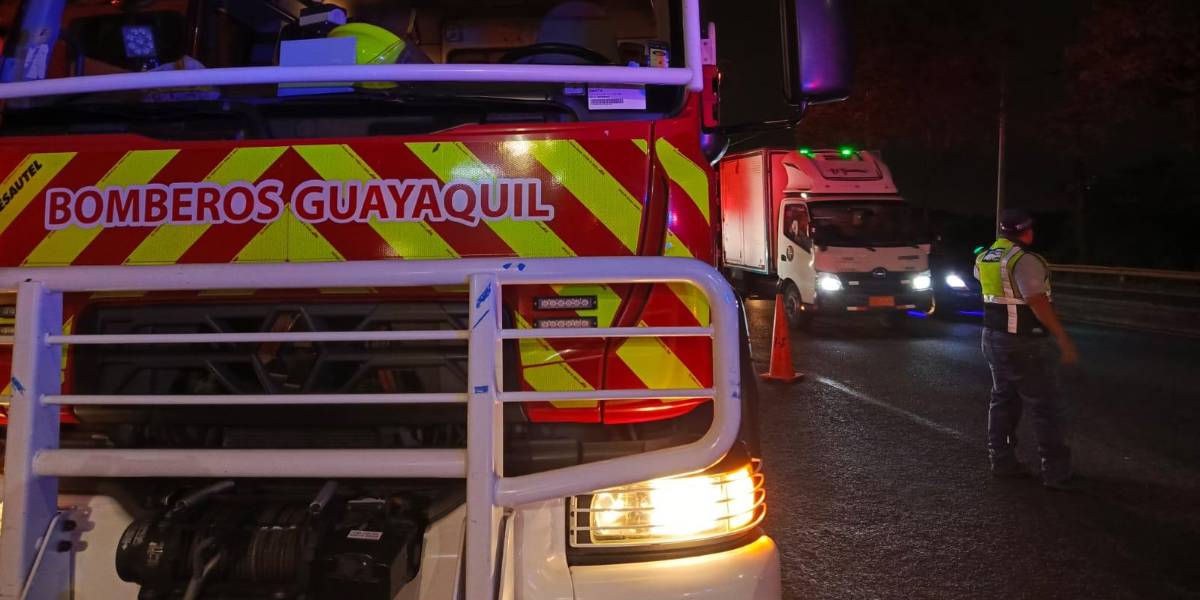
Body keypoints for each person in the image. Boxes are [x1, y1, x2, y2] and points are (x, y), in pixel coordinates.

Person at [974, 208, 1079, 490]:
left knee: (1004, 401)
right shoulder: (1025, 260)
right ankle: (1056, 473)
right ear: (1026, 231)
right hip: (1024, 342)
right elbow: (1037, 301)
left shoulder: (985, 257)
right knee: (1046, 406)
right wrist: (1062, 338)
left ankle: (1002, 460)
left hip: (992, 338)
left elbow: (989, 287)